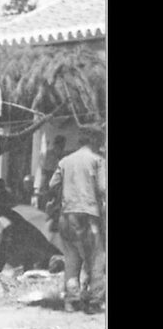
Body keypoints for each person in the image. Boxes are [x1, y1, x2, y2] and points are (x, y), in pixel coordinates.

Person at [48, 126, 106, 313]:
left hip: (66, 216)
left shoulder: (65, 161)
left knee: (71, 259)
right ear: (95, 142)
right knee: (96, 257)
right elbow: (103, 189)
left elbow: (52, 185)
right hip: (88, 216)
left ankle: (71, 301)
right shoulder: (97, 161)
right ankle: (95, 301)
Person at [39, 135, 67, 210]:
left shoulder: (62, 156)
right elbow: (47, 172)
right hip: (49, 186)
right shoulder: (49, 155)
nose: (63, 148)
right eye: (61, 146)